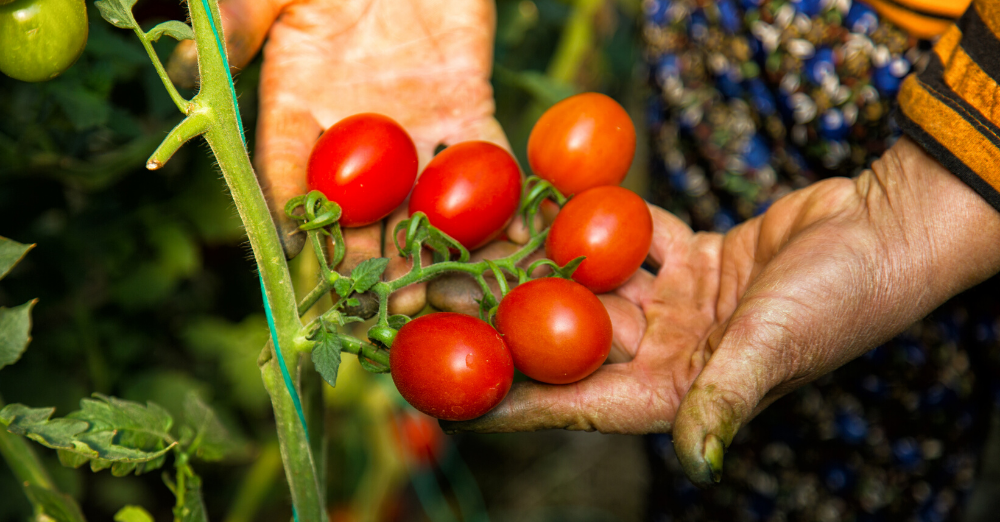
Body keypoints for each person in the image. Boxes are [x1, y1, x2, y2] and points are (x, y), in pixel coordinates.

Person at [169, 0, 1000, 500]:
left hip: (940, 68)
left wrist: (937, 191)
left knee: (868, 404)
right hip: (718, 26)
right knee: (712, 332)